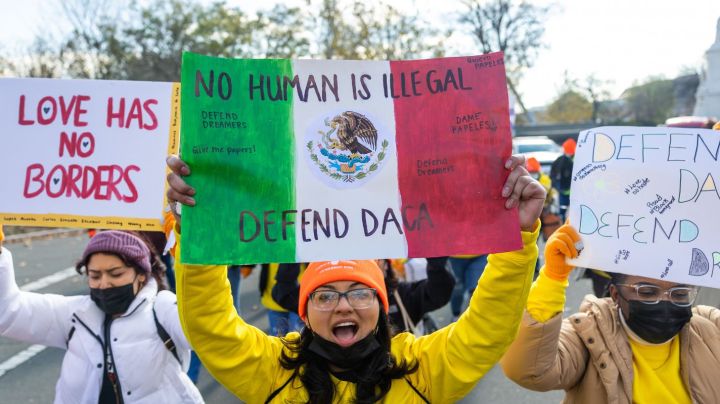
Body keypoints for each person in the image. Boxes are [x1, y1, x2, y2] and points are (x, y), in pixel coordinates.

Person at [166, 153, 545, 403]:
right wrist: (201, 236)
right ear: (305, 312)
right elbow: (210, 327)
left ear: (382, 307)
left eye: (359, 293)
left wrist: (519, 240)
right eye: (325, 296)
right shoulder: (275, 369)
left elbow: (489, 328)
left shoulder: (420, 368)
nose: (344, 305)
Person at [500, 224, 720, 403]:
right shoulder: (587, 335)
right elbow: (527, 370)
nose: (664, 302)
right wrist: (553, 277)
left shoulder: (710, 328)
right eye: (646, 292)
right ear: (615, 294)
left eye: (679, 294)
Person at [0, 229, 203, 403]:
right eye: (94, 276)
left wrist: (197, 242)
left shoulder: (162, 308)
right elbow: (9, 311)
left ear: (141, 274)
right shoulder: (74, 313)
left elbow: (206, 331)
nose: (104, 284)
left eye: (115, 274)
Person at [272, 258, 455, 336]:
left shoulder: (404, 296)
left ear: (386, 266)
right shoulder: (322, 300)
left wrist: (437, 262)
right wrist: (293, 252)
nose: (344, 307)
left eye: (361, 295)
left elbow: (439, 292)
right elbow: (284, 293)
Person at [550, 138, 576, 222]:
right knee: (565, 212)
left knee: (567, 213)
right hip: (565, 191)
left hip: (568, 191)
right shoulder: (562, 160)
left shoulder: (561, 160)